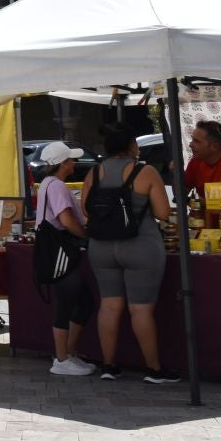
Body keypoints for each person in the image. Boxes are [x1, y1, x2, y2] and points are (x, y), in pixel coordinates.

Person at [80, 122, 176, 384]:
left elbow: (86, 210)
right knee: (140, 310)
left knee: (109, 306)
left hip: (101, 247)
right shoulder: (145, 172)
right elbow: (163, 213)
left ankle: (109, 366)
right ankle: (154, 369)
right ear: (132, 146)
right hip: (140, 245)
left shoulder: (93, 173)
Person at [34, 142, 94, 376]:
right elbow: (66, 221)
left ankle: (68, 353)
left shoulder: (47, 183)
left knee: (83, 301)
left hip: (55, 248)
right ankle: (61, 358)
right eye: (70, 160)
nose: (73, 163)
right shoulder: (57, 186)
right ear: (62, 164)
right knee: (68, 302)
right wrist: (86, 236)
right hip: (60, 248)